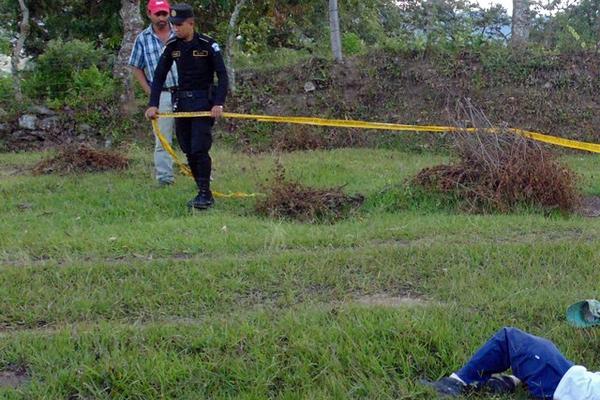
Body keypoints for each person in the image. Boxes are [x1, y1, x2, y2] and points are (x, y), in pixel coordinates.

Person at [145, 3, 228, 209]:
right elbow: (159, 76)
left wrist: (218, 102)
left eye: (180, 25)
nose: (175, 28)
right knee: (188, 149)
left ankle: (205, 194)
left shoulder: (208, 44)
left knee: (200, 148)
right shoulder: (173, 46)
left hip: (203, 103)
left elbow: (223, 75)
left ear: (191, 23)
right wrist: (153, 104)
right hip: (181, 103)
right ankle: (200, 189)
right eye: (174, 25)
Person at [423, 326, 600, 399]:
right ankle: (509, 382)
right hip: (574, 381)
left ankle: (455, 384)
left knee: (510, 338)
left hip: (567, 383)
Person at [129, 0, 178, 186]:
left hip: (184, 92)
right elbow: (136, 67)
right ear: (149, 13)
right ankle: (165, 178)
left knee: (193, 135)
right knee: (163, 138)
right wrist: (151, 93)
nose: (162, 18)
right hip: (162, 94)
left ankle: (201, 175)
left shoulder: (179, 32)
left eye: (164, 14)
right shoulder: (142, 38)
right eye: (158, 14)